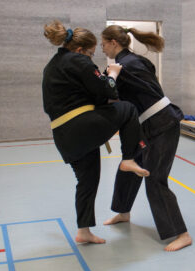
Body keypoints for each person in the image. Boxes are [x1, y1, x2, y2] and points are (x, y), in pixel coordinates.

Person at [42, 20, 150, 244]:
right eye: (91, 54)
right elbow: (108, 92)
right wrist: (111, 74)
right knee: (128, 109)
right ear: (81, 50)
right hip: (81, 126)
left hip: (64, 137)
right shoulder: (78, 60)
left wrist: (100, 82)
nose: (91, 58)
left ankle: (83, 231)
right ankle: (129, 158)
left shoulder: (53, 65)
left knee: (87, 180)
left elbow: (91, 95)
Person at [101, 25, 192, 251]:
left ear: (113, 42)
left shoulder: (125, 66)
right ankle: (123, 212)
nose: (102, 48)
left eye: (103, 44)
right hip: (146, 126)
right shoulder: (133, 62)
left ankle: (181, 234)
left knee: (155, 178)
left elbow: (109, 92)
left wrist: (108, 79)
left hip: (162, 125)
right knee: (128, 165)